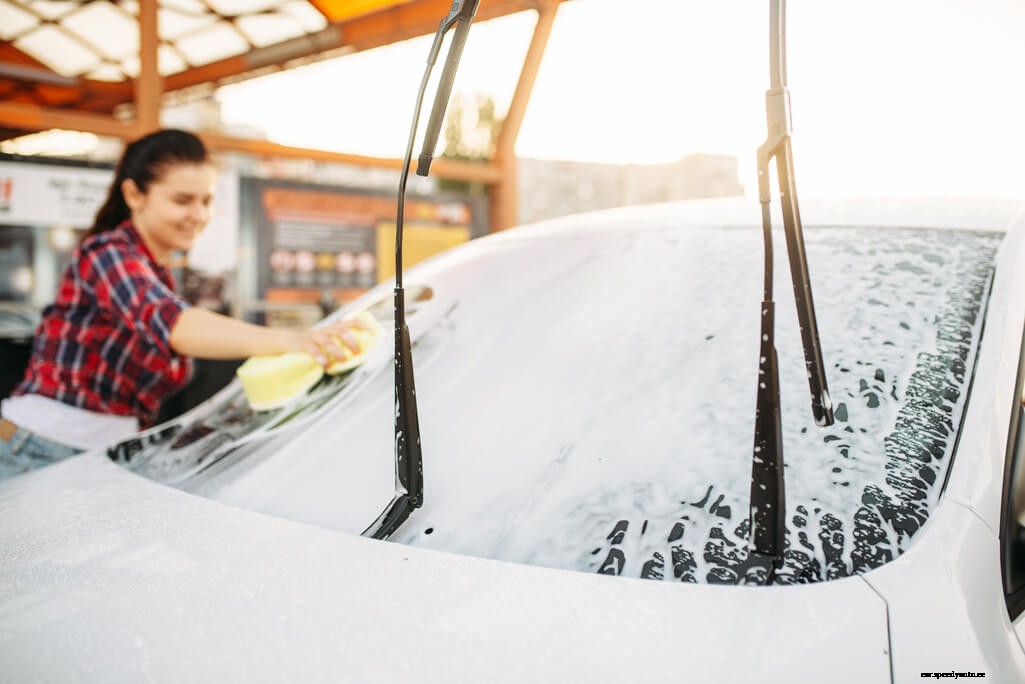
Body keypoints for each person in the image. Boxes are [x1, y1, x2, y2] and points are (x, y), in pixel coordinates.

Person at [0, 128, 365, 479]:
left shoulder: (156, 272)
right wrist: (294, 340)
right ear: (134, 195)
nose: (199, 215)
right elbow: (170, 322)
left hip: (92, 454)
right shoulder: (107, 254)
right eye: (182, 200)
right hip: (36, 450)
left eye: (206, 200)